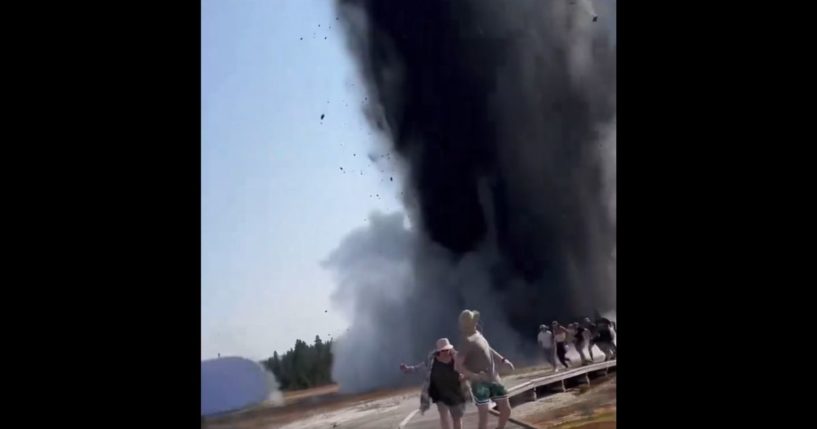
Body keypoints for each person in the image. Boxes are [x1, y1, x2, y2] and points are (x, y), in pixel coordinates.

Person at [455, 310, 515, 429]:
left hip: (493, 377)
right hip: (480, 382)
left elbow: (489, 349)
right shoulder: (466, 342)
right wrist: (473, 376)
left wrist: (503, 360)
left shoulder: (478, 333)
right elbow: (459, 365)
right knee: (484, 415)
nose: (474, 324)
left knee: (506, 409)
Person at [400, 338, 469, 429]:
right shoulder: (432, 360)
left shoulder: (456, 357)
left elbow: (468, 370)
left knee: (457, 417)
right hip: (439, 392)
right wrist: (409, 369)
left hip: (455, 391)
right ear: (439, 350)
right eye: (443, 350)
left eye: (447, 349)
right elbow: (421, 367)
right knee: (444, 416)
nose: (446, 352)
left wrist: (464, 377)